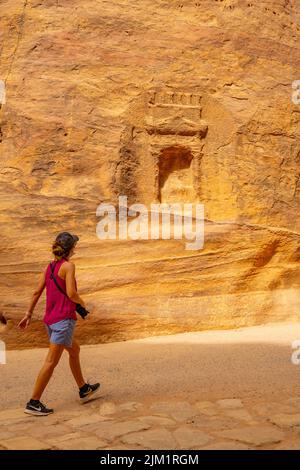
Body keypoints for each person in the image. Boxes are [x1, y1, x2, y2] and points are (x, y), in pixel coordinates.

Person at [18, 232, 100, 416]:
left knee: (74, 350)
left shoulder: (49, 267)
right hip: (63, 321)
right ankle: (33, 402)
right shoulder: (68, 267)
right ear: (70, 249)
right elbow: (71, 293)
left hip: (51, 321)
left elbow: (36, 292)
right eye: (75, 247)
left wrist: (28, 313)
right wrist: (82, 303)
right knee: (51, 362)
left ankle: (83, 388)